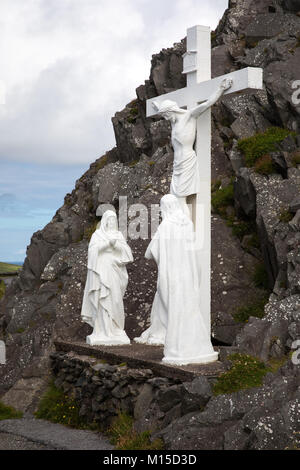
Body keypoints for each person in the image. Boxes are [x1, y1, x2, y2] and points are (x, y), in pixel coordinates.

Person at [135, 194, 217, 365]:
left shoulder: (166, 226)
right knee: (189, 309)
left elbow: (149, 253)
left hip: (172, 275)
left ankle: (178, 349)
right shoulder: (187, 224)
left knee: (174, 311)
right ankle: (198, 348)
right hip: (188, 275)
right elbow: (194, 253)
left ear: (165, 208)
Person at [152, 78, 233, 215]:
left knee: (180, 199)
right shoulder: (174, 122)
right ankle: (179, 226)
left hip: (187, 161)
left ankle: (185, 227)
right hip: (177, 164)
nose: (166, 118)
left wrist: (221, 88)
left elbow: (207, 104)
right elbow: (160, 108)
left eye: (166, 114)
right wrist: (157, 106)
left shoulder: (189, 116)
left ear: (172, 110)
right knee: (175, 199)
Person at [81, 210, 133, 346]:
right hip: (100, 271)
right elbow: (92, 252)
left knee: (115, 299)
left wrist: (115, 244)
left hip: (114, 271)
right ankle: (102, 330)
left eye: (114, 220)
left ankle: (115, 329)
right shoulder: (97, 235)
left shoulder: (119, 235)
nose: (112, 222)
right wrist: (107, 244)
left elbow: (128, 254)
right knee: (101, 299)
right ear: (105, 221)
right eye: (109, 219)